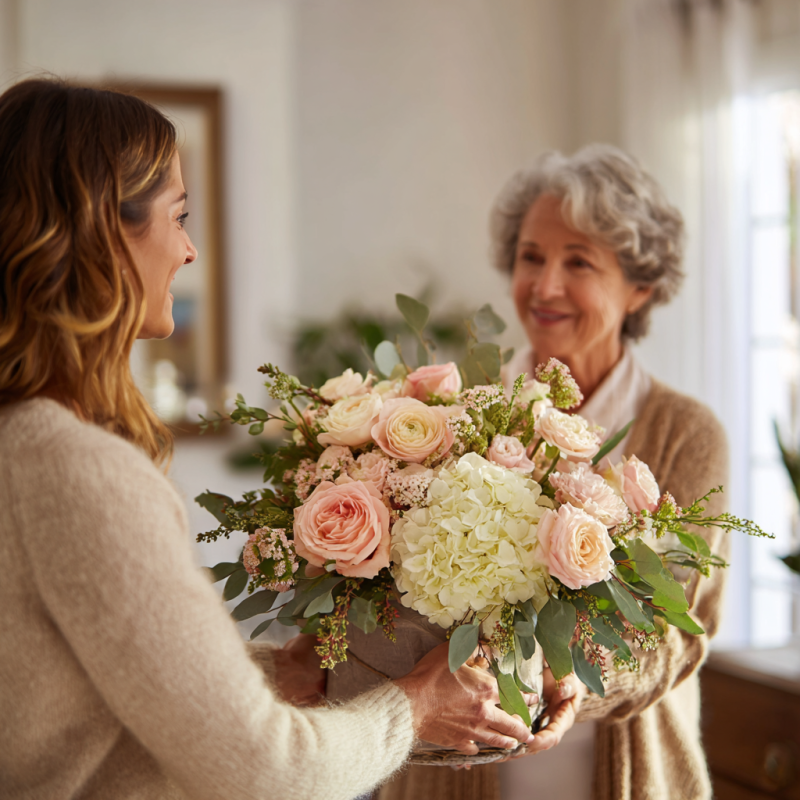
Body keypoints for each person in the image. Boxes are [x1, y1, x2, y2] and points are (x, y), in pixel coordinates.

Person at [0, 78, 538, 800]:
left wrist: (266, 675)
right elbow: (268, 770)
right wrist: (416, 704)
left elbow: (79, 694)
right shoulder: (77, 470)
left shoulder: (21, 441)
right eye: (177, 216)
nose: (188, 250)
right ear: (102, 230)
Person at [492, 145, 729, 800]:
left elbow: (675, 631)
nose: (544, 287)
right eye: (531, 256)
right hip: (463, 777)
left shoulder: (687, 434)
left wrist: (570, 681)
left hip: (632, 774)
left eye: (579, 263)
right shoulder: (457, 408)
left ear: (641, 288)